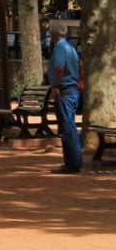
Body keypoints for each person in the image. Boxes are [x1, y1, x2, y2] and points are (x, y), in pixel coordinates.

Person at [47, 20, 82, 174]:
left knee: (67, 127)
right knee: (70, 125)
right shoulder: (70, 47)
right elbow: (80, 65)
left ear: (53, 34)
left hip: (65, 90)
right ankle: (75, 161)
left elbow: (59, 68)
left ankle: (72, 164)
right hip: (72, 90)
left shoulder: (60, 47)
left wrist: (55, 86)